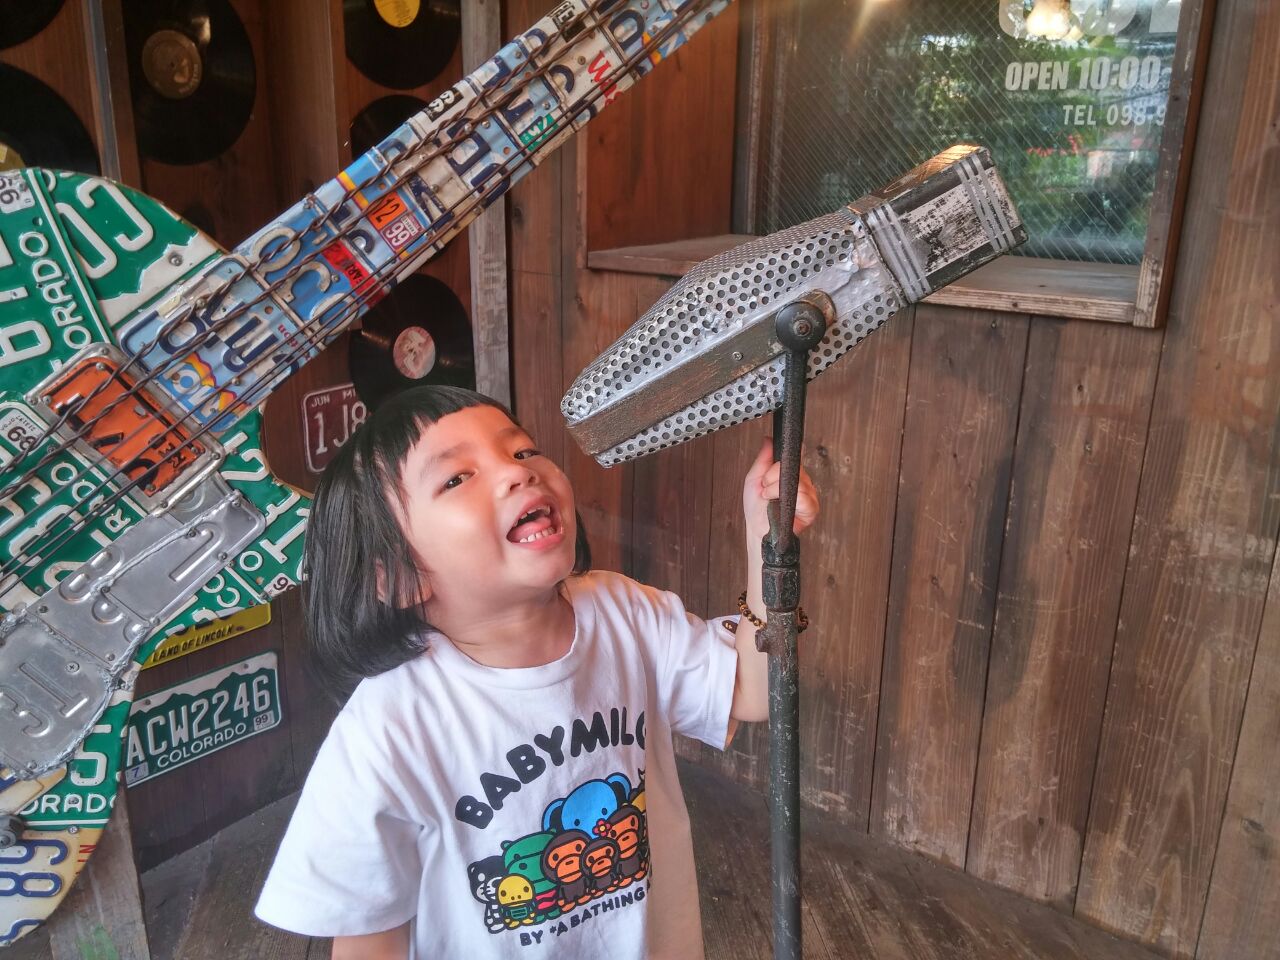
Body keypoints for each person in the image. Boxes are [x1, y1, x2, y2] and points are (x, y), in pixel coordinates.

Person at [254, 385, 819, 959]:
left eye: (522, 450)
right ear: (398, 577)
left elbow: (751, 691)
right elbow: (368, 934)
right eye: (456, 478)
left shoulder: (625, 614)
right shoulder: (388, 727)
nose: (516, 472)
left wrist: (768, 546)